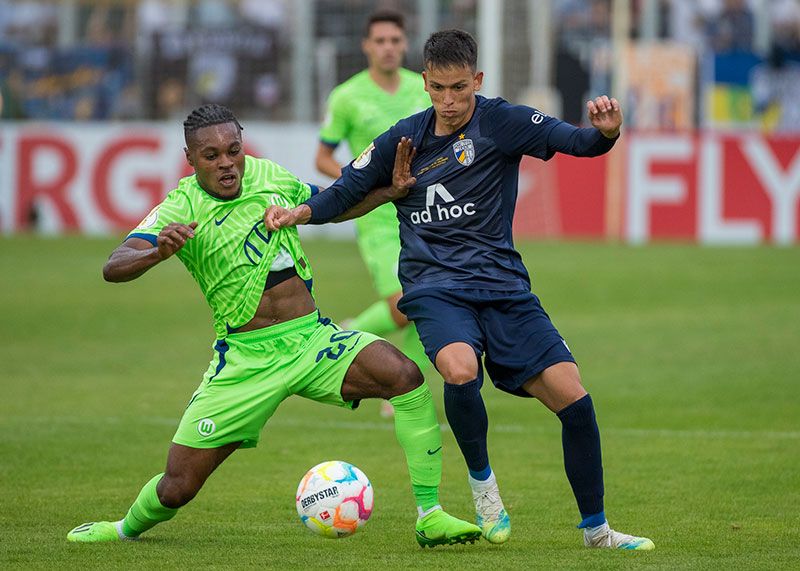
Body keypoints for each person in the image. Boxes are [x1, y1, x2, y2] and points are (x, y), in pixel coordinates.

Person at [265, 30, 655, 551]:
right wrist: (302, 213)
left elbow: (575, 141)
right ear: (425, 82)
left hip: (503, 286)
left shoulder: (503, 121)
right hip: (433, 285)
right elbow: (346, 190)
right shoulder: (403, 139)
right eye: (439, 89)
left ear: (477, 81)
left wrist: (604, 134)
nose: (449, 102)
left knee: (575, 401)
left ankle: (597, 531)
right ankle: (483, 488)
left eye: (459, 89)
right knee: (459, 367)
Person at [66, 103, 481, 548]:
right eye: (211, 156)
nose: (226, 163)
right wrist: (156, 252)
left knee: (405, 376)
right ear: (190, 159)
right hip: (246, 359)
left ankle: (430, 515)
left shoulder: (270, 178)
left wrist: (390, 191)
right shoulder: (179, 206)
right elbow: (114, 266)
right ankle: (125, 529)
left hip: (311, 340)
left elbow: (332, 204)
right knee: (178, 486)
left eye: (233, 150)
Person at [316, 10, 430, 418]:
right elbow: (322, 156)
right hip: (379, 213)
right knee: (402, 302)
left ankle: (405, 390)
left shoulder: (424, 88)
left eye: (395, 40)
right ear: (367, 46)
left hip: (425, 210)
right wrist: (358, 183)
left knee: (427, 298)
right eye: (380, 41)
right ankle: (346, 336)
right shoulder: (347, 96)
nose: (388, 48)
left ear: (404, 44)